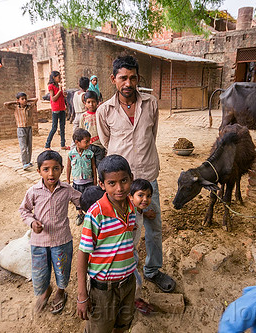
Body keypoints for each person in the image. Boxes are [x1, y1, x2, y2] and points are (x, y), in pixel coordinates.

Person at [97, 55, 175, 293]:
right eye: (123, 78)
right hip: (123, 185)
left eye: (132, 78)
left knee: (154, 225)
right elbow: (105, 141)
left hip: (148, 177)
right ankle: (129, 275)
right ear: (113, 79)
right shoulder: (104, 111)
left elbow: (152, 135)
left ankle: (152, 270)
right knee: (126, 230)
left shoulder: (151, 103)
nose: (128, 83)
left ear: (138, 78)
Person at [77, 154, 137, 333]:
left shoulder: (131, 207)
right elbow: (83, 254)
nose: (119, 188)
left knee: (123, 324)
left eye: (124, 181)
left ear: (131, 179)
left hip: (128, 283)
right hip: (104, 289)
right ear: (102, 185)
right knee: (100, 329)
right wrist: (82, 295)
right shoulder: (96, 214)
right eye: (112, 183)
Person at [19, 150, 82, 314]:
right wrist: (32, 223)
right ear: (38, 171)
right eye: (46, 169)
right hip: (39, 242)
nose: (51, 173)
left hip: (62, 240)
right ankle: (46, 290)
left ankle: (61, 292)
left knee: (62, 269)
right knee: (40, 271)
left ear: (62, 169)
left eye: (55, 168)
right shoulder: (33, 191)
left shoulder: (67, 189)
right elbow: (24, 210)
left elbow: (82, 201)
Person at [129, 179, 155, 315]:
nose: (145, 199)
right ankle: (135, 300)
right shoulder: (128, 213)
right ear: (130, 196)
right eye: (141, 195)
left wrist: (145, 214)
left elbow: (138, 213)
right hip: (125, 253)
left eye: (148, 196)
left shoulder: (138, 210)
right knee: (137, 281)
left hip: (132, 250)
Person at [67, 128, 96, 225]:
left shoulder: (90, 154)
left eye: (89, 141)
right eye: (86, 142)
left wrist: (95, 180)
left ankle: (90, 215)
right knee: (77, 199)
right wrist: (68, 179)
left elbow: (93, 166)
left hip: (89, 181)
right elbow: (68, 166)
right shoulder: (71, 154)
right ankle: (80, 214)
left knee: (90, 198)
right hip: (77, 182)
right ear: (77, 142)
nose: (88, 144)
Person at [4, 92, 38, 170]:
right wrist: (16, 102)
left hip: (29, 128)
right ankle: (24, 163)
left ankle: (28, 162)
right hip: (21, 129)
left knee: (29, 146)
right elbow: (6, 104)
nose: (25, 100)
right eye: (22, 99)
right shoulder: (16, 107)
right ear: (18, 100)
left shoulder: (29, 106)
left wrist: (27, 100)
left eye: (25, 98)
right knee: (23, 147)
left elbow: (36, 99)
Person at [79, 91, 106, 168]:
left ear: (97, 102)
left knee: (100, 167)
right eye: (89, 102)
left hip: (100, 146)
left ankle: (100, 180)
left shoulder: (100, 114)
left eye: (93, 102)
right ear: (85, 103)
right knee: (89, 167)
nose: (91, 104)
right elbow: (81, 132)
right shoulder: (83, 116)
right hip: (88, 146)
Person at [45, 71, 69, 150]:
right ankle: (47, 145)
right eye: (59, 77)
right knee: (54, 127)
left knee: (62, 127)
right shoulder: (51, 86)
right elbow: (53, 98)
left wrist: (64, 94)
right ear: (54, 77)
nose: (60, 79)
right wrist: (59, 91)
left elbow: (61, 97)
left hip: (62, 108)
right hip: (56, 109)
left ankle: (63, 144)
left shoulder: (58, 86)